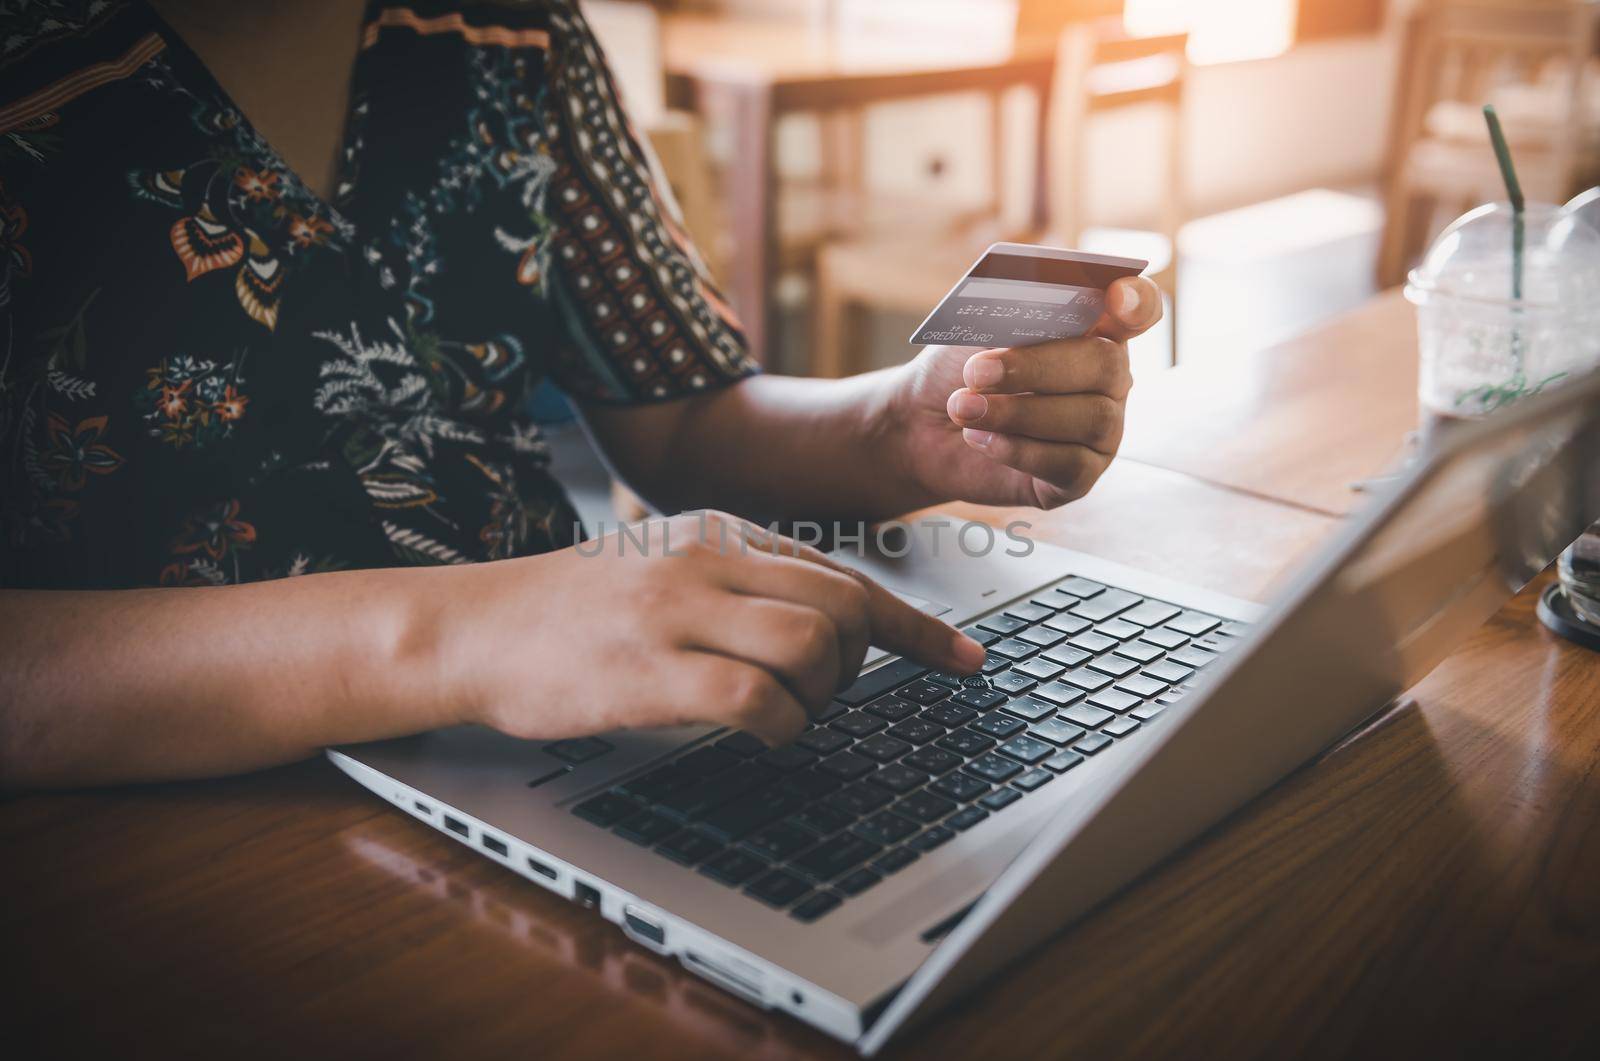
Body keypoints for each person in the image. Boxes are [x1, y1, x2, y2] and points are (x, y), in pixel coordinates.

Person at [0, 0, 1162, 790]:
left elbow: (683, 421)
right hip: (159, 846)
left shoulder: (519, 34)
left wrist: (893, 427)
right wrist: (460, 632)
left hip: (567, 758)